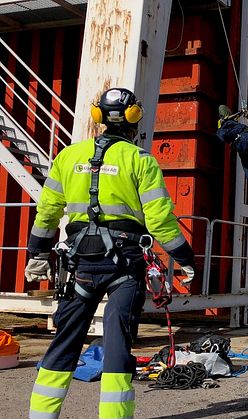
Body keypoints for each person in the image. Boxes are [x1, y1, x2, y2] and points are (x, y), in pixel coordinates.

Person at [25, 87, 196, 419]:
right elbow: (159, 219)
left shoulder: (67, 157)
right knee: (118, 346)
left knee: (64, 342)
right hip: (124, 268)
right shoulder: (140, 160)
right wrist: (185, 257)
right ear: (134, 118)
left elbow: (47, 213)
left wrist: (38, 253)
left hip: (79, 266)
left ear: (98, 117)